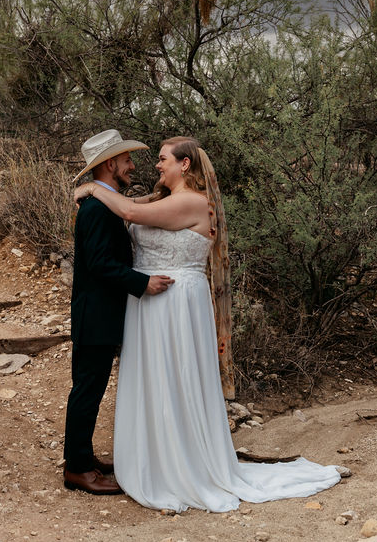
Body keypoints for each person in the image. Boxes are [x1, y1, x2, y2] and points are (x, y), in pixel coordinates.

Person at [73, 136, 343, 513]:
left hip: (175, 303)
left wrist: (89, 187)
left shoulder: (191, 202)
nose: (153, 164)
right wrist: (95, 189)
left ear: (185, 165)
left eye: (163, 158)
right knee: (154, 379)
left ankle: (179, 462)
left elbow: (130, 214)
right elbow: (127, 207)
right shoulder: (162, 200)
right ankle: (153, 456)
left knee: (177, 377)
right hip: (150, 305)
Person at [63, 130, 174, 495]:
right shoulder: (96, 209)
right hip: (95, 315)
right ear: (110, 164)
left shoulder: (103, 202)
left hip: (101, 314)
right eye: (126, 160)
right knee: (87, 390)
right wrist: (142, 283)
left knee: (90, 388)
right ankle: (77, 469)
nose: (131, 165)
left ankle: (84, 457)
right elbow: (99, 265)